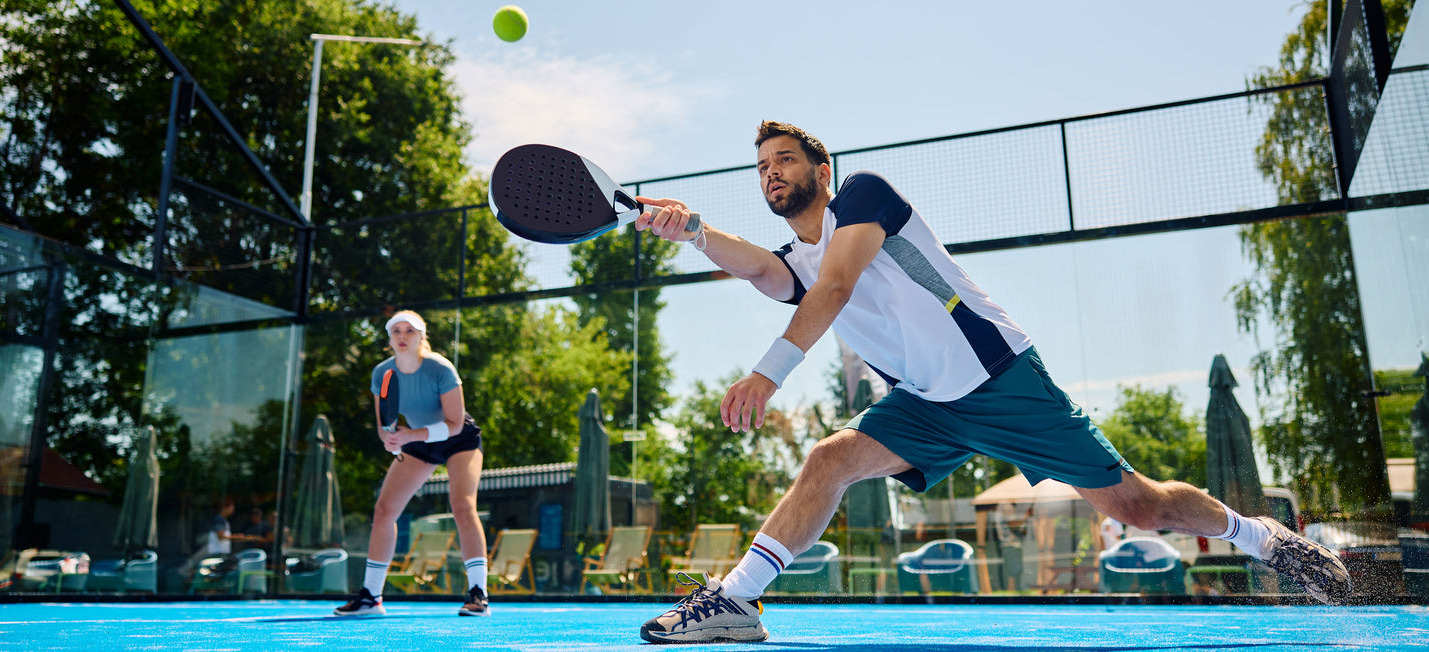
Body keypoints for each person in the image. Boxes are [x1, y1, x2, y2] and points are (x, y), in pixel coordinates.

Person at [631, 121, 1352, 643]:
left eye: (784, 159)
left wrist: (768, 372)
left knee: (1139, 507)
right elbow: (764, 269)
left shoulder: (865, 196)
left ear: (822, 169)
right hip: (923, 406)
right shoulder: (797, 256)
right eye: (760, 167)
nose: (771, 173)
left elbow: (838, 287)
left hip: (1002, 380)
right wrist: (691, 230)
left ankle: (1264, 540)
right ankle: (736, 602)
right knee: (829, 459)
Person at [333, 310, 490, 617]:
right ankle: (371, 598)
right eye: (396, 332)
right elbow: (384, 425)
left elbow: (455, 424)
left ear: (422, 337)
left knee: (462, 506)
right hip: (416, 440)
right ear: (390, 339)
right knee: (384, 510)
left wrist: (409, 435)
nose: (402, 336)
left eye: (410, 331)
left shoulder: (440, 368)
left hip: (459, 439)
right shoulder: (382, 373)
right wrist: (389, 439)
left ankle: (478, 594)